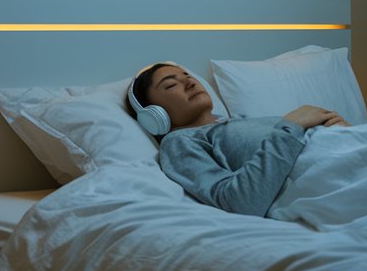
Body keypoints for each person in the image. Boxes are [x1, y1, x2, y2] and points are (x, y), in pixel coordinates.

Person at [128, 62, 348, 217]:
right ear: (153, 116)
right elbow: (240, 203)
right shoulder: (179, 142)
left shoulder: (242, 122)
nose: (190, 83)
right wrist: (292, 126)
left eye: (188, 76)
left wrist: (340, 129)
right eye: (170, 85)